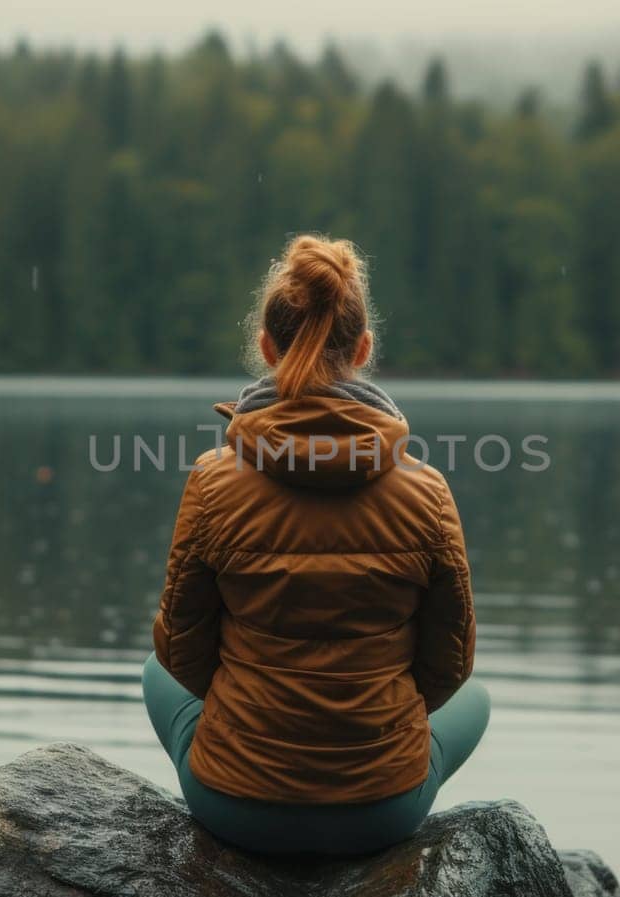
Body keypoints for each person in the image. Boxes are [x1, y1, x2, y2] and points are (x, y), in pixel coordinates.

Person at [142, 233, 489, 856]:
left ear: (267, 347)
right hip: (381, 811)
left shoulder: (213, 483)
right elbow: (450, 665)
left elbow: (181, 653)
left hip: (235, 805)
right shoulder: (427, 493)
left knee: (152, 670)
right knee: (479, 699)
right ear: (363, 348)